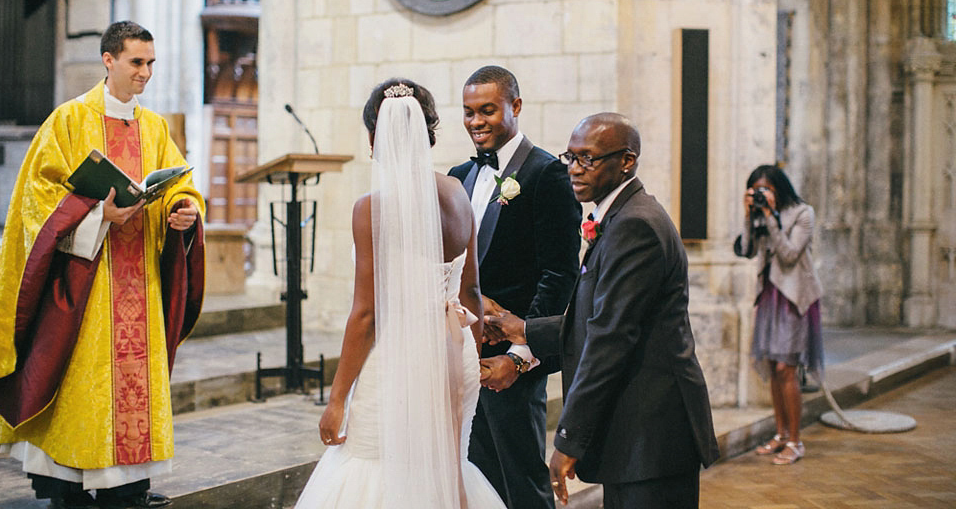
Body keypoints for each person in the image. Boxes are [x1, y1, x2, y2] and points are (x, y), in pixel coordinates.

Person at [0, 21, 205, 509]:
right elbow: (36, 200)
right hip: (85, 285)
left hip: (138, 279)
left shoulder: (154, 127)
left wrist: (183, 208)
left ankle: (128, 486)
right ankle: (66, 483)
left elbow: (176, 181)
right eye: (137, 62)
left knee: (132, 394)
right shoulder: (68, 120)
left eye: (151, 63)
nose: (146, 74)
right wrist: (96, 214)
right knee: (80, 388)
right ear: (108, 60)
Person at [485, 113, 720, 509]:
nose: (574, 170)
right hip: (637, 434)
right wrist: (520, 329)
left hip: (651, 433)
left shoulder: (636, 226)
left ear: (626, 161)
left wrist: (568, 438)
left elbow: (609, 339)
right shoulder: (620, 217)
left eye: (588, 159)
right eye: (570, 158)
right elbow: (596, 319)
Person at [293, 79, 505, 509]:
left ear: (375, 136)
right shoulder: (457, 193)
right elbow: (473, 291)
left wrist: (336, 400)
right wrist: (469, 354)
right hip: (455, 352)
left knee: (375, 469)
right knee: (444, 471)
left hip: (399, 361)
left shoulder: (371, 207)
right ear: (429, 132)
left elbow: (367, 315)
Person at [448, 66, 581, 509]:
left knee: (523, 483)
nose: (476, 122)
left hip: (512, 362)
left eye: (487, 110)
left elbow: (559, 276)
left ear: (515, 107)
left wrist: (519, 356)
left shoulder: (547, 174)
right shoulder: (459, 175)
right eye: (468, 112)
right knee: (475, 478)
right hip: (464, 354)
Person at [733, 164, 824, 465]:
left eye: (767, 189)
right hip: (770, 294)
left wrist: (771, 217)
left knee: (787, 369)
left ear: (779, 188)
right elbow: (746, 250)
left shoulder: (803, 213)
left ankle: (796, 441)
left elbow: (788, 254)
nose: (762, 195)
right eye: (757, 190)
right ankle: (781, 433)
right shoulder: (758, 214)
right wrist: (750, 217)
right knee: (773, 368)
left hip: (795, 297)